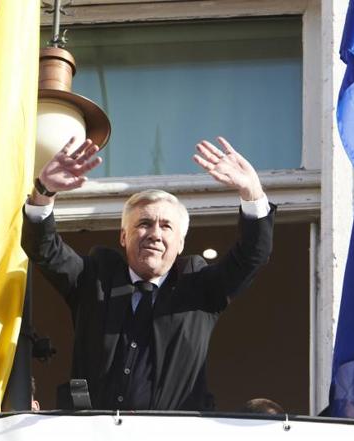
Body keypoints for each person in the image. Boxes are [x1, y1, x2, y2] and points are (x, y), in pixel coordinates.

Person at [22, 136, 275, 411]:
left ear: (180, 244)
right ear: (123, 236)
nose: (155, 234)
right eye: (144, 223)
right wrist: (43, 192)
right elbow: (45, 250)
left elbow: (252, 255)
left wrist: (252, 194)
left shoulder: (199, 289)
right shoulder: (94, 280)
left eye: (166, 226)